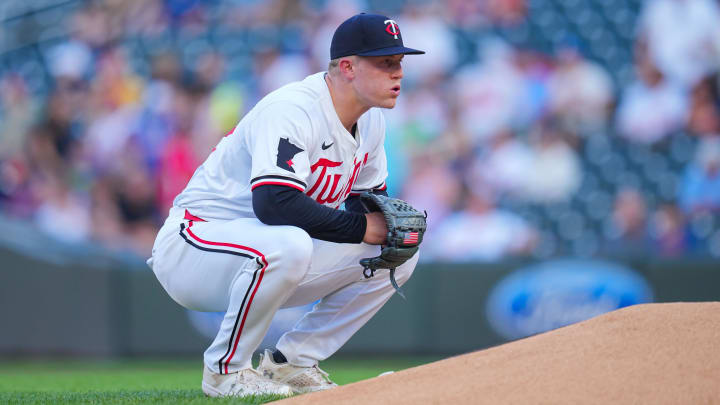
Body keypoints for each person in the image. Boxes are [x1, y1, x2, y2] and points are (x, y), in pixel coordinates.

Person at [146, 13, 425, 397]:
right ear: (347, 67)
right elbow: (274, 204)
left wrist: (377, 226)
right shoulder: (293, 108)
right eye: (385, 63)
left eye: (399, 63)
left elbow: (366, 204)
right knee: (290, 243)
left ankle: (292, 363)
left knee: (398, 252)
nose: (398, 73)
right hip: (195, 244)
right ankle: (224, 372)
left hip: (266, 256)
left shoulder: (371, 123)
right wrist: (363, 228)